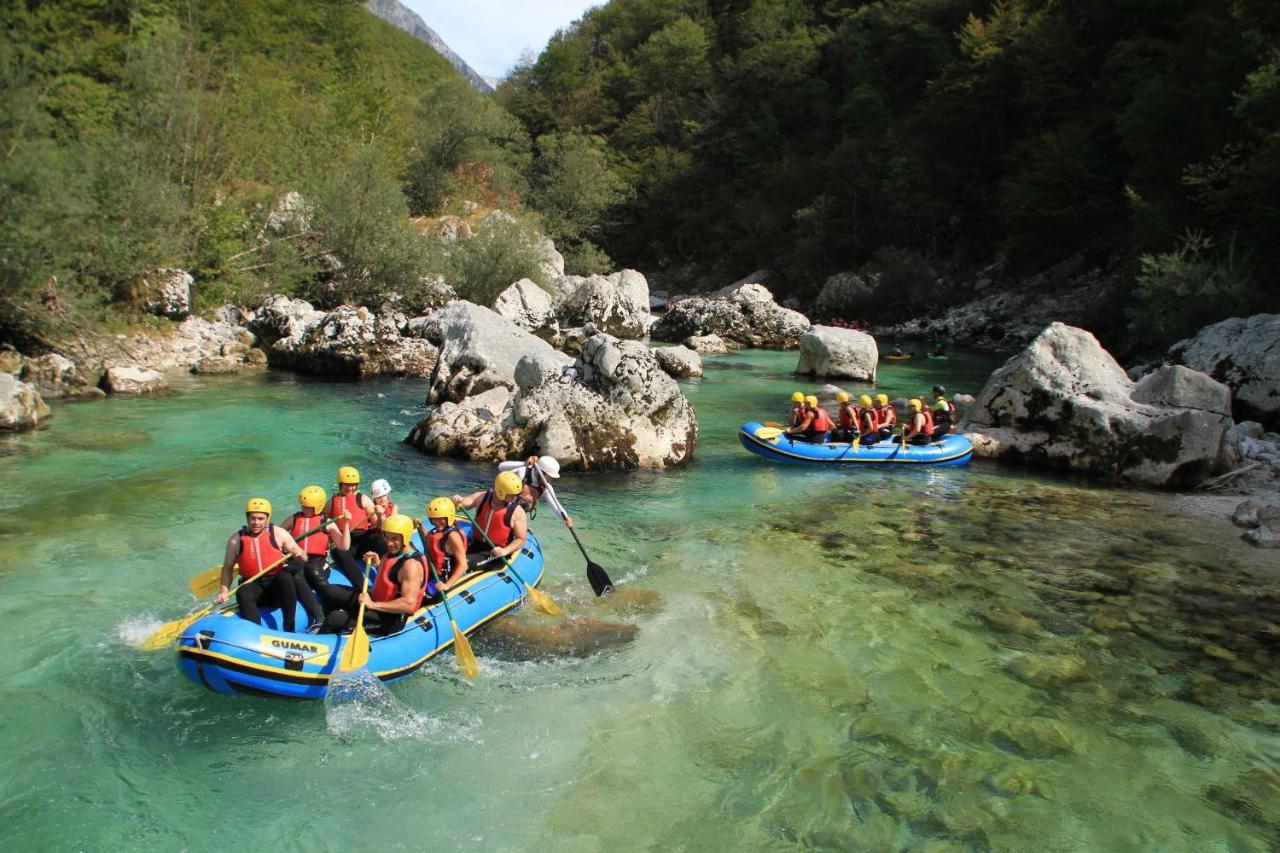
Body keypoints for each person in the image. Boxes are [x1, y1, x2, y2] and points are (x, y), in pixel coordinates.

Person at [320, 515, 425, 636]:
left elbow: (409, 605)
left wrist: (372, 604)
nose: (389, 543)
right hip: (376, 602)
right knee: (329, 591)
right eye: (387, 537)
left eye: (395, 539)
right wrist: (378, 564)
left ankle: (325, 639)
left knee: (334, 618)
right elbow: (394, 577)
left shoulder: (411, 566)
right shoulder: (394, 552)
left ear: (405, 538)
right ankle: (338, 627)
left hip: (390, 620)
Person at [216, 498, 309, 632]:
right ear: (247, 518)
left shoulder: (278, 533)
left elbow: (302, 556)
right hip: (254, 587)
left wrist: (297, 561)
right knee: (242, 591)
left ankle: (289, 628)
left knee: (285, 577)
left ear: (267, 518)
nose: (256, 522)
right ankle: (256, 631)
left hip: (276, 588)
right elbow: (228, 568)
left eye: (260, 519)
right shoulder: (235, 541)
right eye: (253, 518)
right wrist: (224, 592)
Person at [283, 485, 349, 628]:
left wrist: (347, 524)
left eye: (308, 507)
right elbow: (276, 536)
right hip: (298, 561)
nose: (304, 509)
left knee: (312, 569)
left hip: (318, 563)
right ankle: (318, 613)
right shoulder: (293, 519)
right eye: (303, 506)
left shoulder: (327, 522)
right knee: (293, 573)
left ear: (318, 507)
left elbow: (344, 546)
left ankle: (332, 608)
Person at [452, 471, 529, 571]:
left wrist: (505, 551)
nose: (515, 497)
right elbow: (462, 504)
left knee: (465, 562)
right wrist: (456, 501)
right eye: (512, 494)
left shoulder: (517, 511)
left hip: (495, 553)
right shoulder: (482, 497)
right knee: (450, 557)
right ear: (501, 492)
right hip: (475, 545)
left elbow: (521, 539)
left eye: (516, 494)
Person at [326, 466, 383, 559]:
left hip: (363, 539)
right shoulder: (331, 502)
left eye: (353, 485)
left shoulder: (363, 499)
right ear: (340, 484)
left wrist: (380, 516)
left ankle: (384, 567)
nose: (349, 488)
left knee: (379, 539)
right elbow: (324, 524)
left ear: (357, 485)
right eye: (346, 485)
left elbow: (378, 526)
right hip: (344, 541)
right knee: (339, 552)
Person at [497, 455, 572, 525]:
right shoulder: (522, 472)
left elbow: (556, 507)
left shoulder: (546, 487)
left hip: (516, 519)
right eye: (549, 477)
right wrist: (524, 463)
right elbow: (500, 467)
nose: (549, 480)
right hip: (499, 512)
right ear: (541, 472)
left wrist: (565, 518)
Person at [419, 497, 469, 597]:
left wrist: (447, 585)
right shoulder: (437, 530)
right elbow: (430, 541)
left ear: (449, 517)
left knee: (417, 595)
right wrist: (420, 527)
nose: (436, 522)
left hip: (442, 579)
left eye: (440, 518)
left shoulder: (453, 536)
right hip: (430, 572)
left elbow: (463, 565)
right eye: (433, 519)